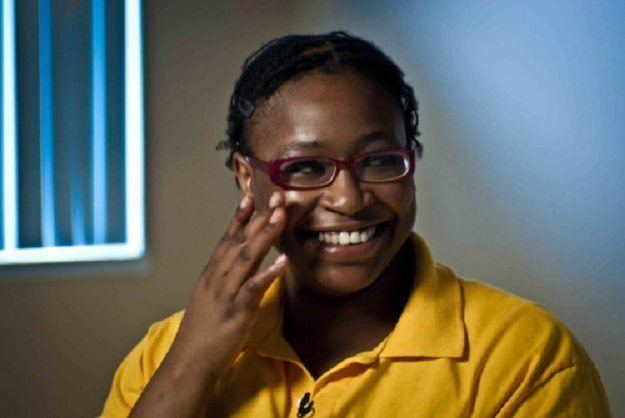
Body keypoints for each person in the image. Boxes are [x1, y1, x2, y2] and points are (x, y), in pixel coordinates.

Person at [101, 32, 611, 417]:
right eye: (305, 167)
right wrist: (194, 362)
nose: (348, 198)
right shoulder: (165, 355)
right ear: (245, 175)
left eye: (379, 160)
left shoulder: (526, 357)